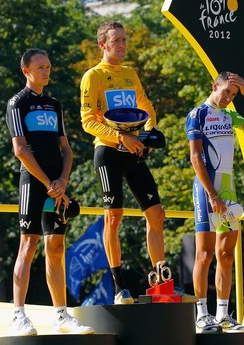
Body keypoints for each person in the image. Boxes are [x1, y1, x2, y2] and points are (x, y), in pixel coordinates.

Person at [80, 20, 194, 304]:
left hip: (134, 150)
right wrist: (121, 138)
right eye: (116, 40)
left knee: (157, 214)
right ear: (102, 45)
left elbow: (147, 107)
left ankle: (162, 284)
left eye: (124, 40)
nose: (122, 45)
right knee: (114, 216)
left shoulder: (130, 74)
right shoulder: (93, 76)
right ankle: (120, 288)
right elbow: (87, 121)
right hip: (108, 152)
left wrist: (147, 135)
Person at [6, 49, 93, 336]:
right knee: (28, 244)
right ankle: (18, 315)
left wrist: (63, 180)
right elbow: (20, 149)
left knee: (56, 247)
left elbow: (65, 149)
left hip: (57, 185)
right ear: (26, 71)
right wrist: (48, 184)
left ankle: (61, 315)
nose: (47, 71)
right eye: (41, 67)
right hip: (34, 183)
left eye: (48, 67)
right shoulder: (17, 103)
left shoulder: (54, 104)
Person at [186, 71, 244, 333]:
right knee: (204, 254)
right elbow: (196, 157)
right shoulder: (198, 114)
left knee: (227, 255)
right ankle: (201, 314)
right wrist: (212, 195)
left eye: (234, 94)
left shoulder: (230, 115)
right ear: (214, 87)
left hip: (227, 188)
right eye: (226, 92)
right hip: (206, 189)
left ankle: (222, 314)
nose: (229, 98)